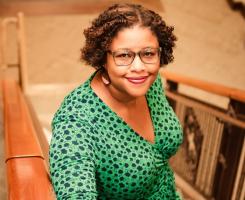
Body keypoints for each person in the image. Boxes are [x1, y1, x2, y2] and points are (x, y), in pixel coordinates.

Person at [49, 3, 183, 199]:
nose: (139, 67)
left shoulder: (150, 84)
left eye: (148, 53)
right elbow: (75, 190)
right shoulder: (76, 120)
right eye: (123, 55)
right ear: (103, 58)